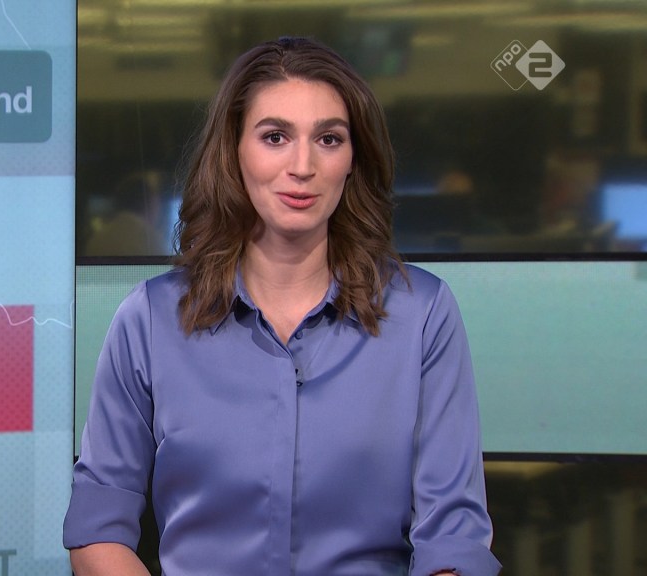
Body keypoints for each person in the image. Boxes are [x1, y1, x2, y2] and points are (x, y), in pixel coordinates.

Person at [63, 36, 501, 576]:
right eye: (275, 137)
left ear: (353, 159)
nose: (303, 165)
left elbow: (453, 540)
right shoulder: (150, 319)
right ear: (234, 152)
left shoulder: (423, 314)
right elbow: (97, 528)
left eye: (329, 139)